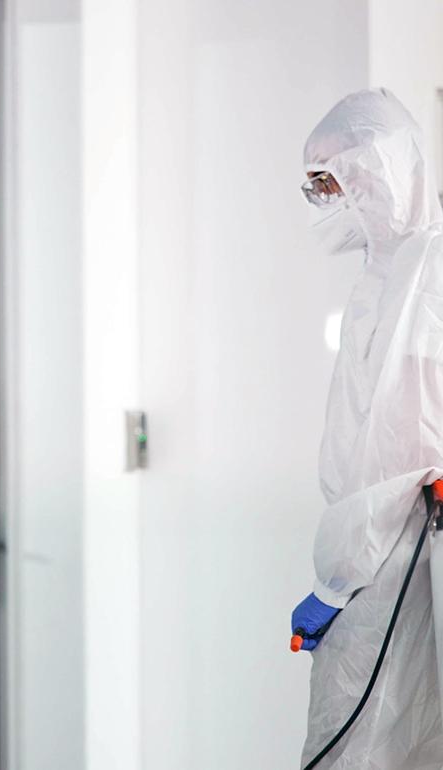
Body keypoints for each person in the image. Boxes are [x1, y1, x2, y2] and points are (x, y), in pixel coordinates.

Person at [293, 89, 443, 767]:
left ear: (373, 171)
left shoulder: (423, 272)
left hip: (392, 560)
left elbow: (397, 450)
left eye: (327, 182)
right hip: (378, 553)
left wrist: (336, 582)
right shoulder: (387, 270)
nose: (320, 201)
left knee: (365, 741)